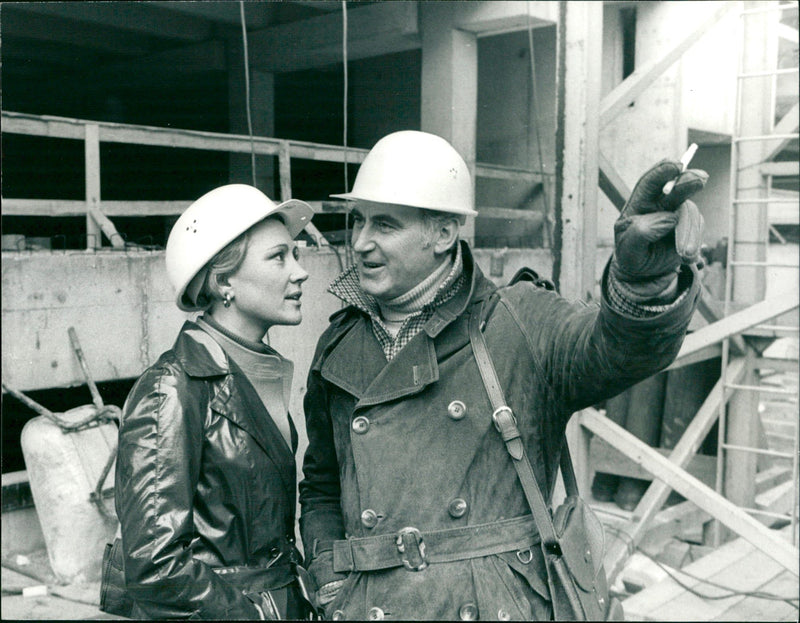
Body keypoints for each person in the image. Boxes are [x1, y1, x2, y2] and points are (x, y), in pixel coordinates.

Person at [299, 131, 707, 620]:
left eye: (384, 224)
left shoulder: (521, 320)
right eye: (358, 220)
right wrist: (328, 573)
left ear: (444, 234)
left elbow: (619, 351)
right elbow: (322, 480)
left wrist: (641, 282)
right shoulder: (339, 343)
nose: (361, 242)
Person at [106, 184, 316, 619]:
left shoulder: (255, 371)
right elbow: (154, 565)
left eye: (295, 255)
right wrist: (253, 615)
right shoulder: (172, 388)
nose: (300, 272)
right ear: (224, 282)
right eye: (279, 257)